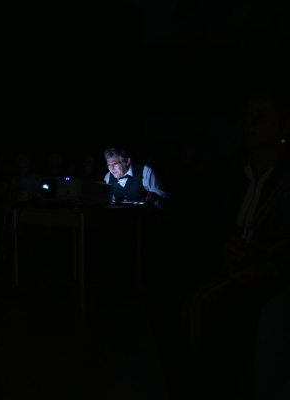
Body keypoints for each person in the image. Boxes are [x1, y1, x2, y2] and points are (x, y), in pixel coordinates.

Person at [181, 89, 290, 399]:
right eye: (248, 117)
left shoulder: (284, 178)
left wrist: (268, 266)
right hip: (234, 266)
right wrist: (224, 247)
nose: (251, 123)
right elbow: (214, 224)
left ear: (283, 126)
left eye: (262, 117)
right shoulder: (233, 173)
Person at [103, 147, 168, 206]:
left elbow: (165, 201)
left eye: (115, 164)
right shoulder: (108, 177)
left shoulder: (145, 172)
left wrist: (157, 199)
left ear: (127, 161)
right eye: (109, 165)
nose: (112, 169)